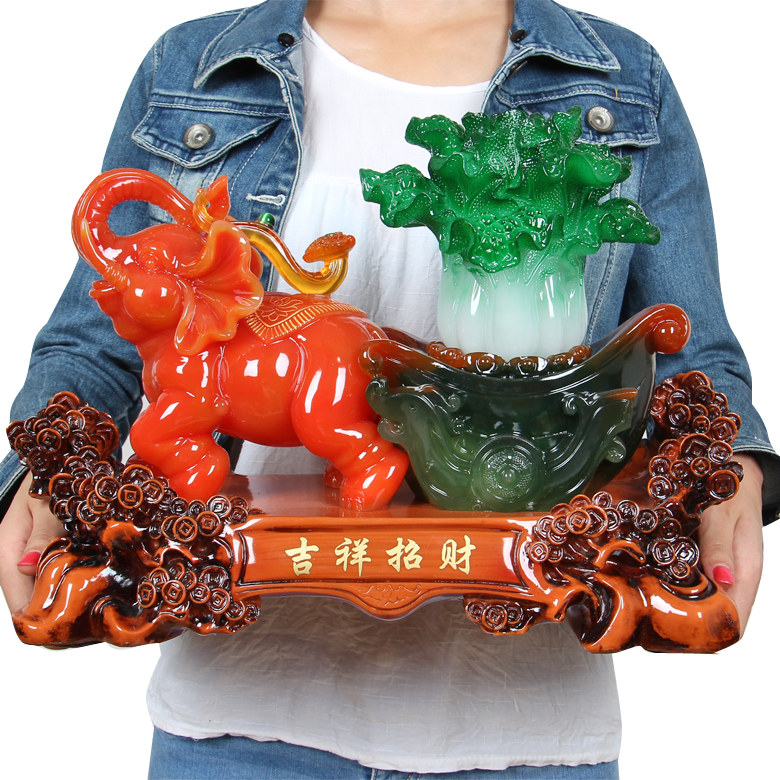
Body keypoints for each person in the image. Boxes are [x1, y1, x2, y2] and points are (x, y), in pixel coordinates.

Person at [0, 1, 777, 777]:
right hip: (236, 724)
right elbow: (94, 347)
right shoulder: (196, 68)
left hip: (526, 723)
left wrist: (725, 469)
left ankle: (366, 457)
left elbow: (694, 361)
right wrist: (48, 466)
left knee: (327, 417)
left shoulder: (621, 79)